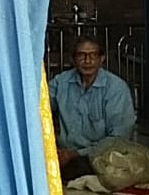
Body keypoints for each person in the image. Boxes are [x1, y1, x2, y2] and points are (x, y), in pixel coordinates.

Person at [48, 35, 137, 181]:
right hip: (66, 153)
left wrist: (76, 153)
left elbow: (119, 138)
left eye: (93, 55)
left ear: (102, 59)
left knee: (81, 168)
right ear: (73, 59)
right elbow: (39, 107)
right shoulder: (61, 82)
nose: (87, 61)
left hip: (101, 155)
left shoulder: (116, 88)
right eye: (81, 55)